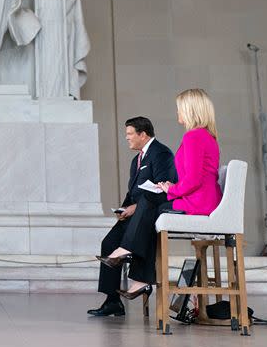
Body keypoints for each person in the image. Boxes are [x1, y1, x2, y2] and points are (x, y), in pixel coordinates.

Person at [98, 88, 222, 301]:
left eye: (179, 109)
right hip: (201, 198)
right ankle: (140, 278)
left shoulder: (194, 136)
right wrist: (169, 187)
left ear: (191, 110)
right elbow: (195, 177)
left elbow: (193, 180)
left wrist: (170, 189)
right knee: (148, 207)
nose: (177, 113)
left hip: (198, 203)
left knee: (148, 203)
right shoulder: (205, 136)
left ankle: (131, 258)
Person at [88, 117, 176, 317]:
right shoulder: (136, 160)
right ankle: (112, 301)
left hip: (153, 211)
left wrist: (135, 208)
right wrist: (124, 208)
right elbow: (132, 193)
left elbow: (165, 187)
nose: (126, 138)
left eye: (129, 134)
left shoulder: (161, 153)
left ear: (142, 134)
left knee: (132, 238)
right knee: (108, 243)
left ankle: (140, 279)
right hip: (135, 211)